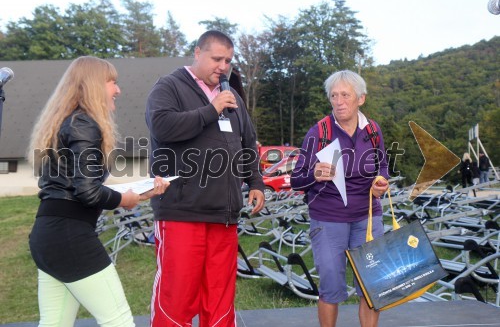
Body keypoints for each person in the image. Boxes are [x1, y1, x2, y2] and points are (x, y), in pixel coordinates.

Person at [28, 56, 170, 327]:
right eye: (112, 82)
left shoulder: (65, 122)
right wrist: (125, 200)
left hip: (46, 235)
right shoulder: (84, 124)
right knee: (119, 321)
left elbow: (78, 186)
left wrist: (136, 193)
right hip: (71, 237)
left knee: (54, 322)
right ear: (94, 85)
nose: (118, 90)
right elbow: (88, 192)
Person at [145, 30, 265, 327]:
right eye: (216, 58)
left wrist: (256, 182)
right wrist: (211, 110)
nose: (223, 66)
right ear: (197, 53)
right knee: (177, 297)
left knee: (220, 298)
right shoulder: (169, 86)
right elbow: (162, 127)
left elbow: (248, 142)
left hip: (224, 215)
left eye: (228, 60)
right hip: (181, 211)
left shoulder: (232, 95)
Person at [291, 70, 389, 327]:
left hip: (367, 218)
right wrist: (313, 173)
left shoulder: (373, 130)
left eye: (345, 95)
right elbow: (296, 179)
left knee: (371, 287)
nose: (338, 101)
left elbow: (383, 166)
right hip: (328, 218)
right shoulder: (319, 131)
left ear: (361, 99)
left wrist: (380, 183)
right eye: (334, 95)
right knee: (331, 287)